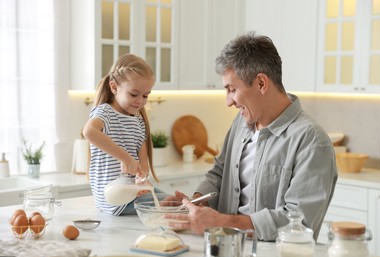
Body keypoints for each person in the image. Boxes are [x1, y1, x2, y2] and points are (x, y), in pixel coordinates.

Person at [166, 32, 338, 241]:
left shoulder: (312, 141)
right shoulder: (241, 123)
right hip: (226, 247)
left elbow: (299, 222)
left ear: (261, 83)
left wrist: (224, 223)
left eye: (232, 89)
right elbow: (220, 173)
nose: (228, 101)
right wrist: (195, 203)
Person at [83, 53, 159, 216]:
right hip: (113, 200)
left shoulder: (138, 121)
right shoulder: (105, 113)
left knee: (173, 202)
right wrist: (125, 158)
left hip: (131, 194)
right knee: (172, 204)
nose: (140, 101)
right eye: (134, 94)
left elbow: (143, 163)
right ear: (114, 87)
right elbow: (89, 131)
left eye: (145, 95)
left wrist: (141, 179)